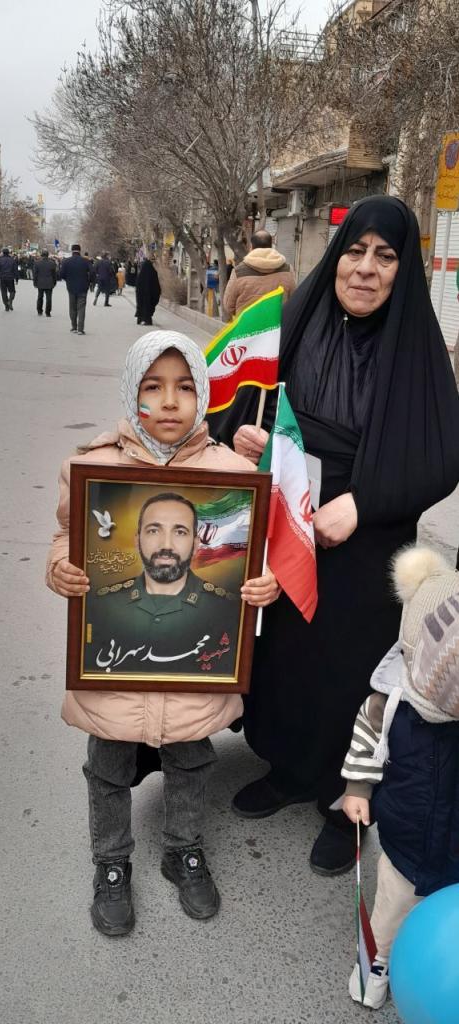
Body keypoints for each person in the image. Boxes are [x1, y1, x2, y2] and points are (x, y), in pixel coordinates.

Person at [209, 195, 459, 875]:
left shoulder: (416, 348)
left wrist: (363, 503)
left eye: (385, 256)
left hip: (365, 543)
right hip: (287, 522)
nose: (365, 268)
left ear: (403, 269)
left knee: (350, 669)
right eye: (355, 251)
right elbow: (248, 403)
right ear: (336, 256)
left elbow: (442, 458)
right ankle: (288, 770)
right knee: (284, 653)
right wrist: (248, 437)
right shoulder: (298, 318)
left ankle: (339, 803)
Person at [45, 330, 279, 937]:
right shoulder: (94, 468)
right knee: (106, 766)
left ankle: (183, 849)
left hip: (195, 673)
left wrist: (265, 584)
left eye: (184, 387)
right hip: (111, 671)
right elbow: (67, 536)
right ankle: (111, 862)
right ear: (132, 392)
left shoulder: (232, 475)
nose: (170, 401)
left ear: (203, 395)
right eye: (153, 387)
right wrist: (61, 567)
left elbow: (259, 556)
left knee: (192, 759)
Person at [342, 545, 459, 1010]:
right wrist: (357, 788)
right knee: (392, 909)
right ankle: (377, 960)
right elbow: (367, 739)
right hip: (404, 840)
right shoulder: (390, 703)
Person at [84, 492, 240, 677]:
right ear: (137, 541)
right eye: (153, 531)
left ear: (196, 544)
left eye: (180, 532)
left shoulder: (226, 608)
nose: (166, 545)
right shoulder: (102, 604)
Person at [223, 229, 296, 319]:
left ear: (251, 247)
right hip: (277, 325)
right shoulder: (288, 270)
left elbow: (228, 306)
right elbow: (294, 300)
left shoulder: (238, 272)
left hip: (248, 325)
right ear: (271, 246)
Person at [60, 244, 94, 335]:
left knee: (72, 307)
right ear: (80, 250)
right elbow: (92, 272)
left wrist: (68, 279)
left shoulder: (66, 261)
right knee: (81, 308)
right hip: (83, 287)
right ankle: (80, 329)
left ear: (72, 250)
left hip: (71, 287)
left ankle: (74, 327)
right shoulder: (86, 261)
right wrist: (89, 282)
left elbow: (61, 274)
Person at [136, 256, 161, 325]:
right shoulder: (153, 272)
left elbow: (137, 285)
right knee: (148, 306)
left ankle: (140, 318)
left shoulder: (141, 274)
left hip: (141, 295)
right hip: (150, 294)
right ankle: (147, 320)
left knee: (141, 305)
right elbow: (156, 286)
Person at [33, 249, 57, 317]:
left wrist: (35, 282)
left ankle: (39, 311)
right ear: (48, 255)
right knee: (49, 298)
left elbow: (35, 274)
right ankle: (48, 312)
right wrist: (54, 282)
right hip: (49, 283)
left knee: (40, 297)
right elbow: (54, 274)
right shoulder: (52, 263)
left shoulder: (37, 263)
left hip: (40, 282)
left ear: (41, 255)